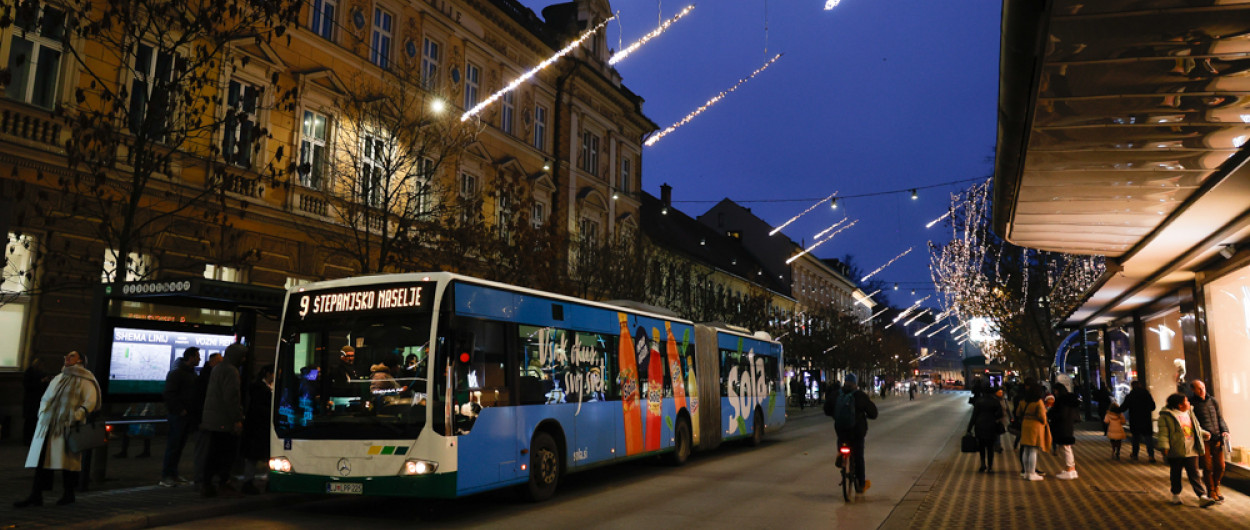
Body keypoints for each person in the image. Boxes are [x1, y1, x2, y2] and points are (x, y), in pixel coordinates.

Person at [14, 350, 102, 507]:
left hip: (69, 426)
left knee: (67, 461)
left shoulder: (85, 379)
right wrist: (43, 412)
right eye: (66, 356)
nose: (67, 358)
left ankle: (68, 493)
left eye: (72, 356)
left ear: (80, 360)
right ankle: (36, 494)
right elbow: (47, 397)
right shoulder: (60, 377)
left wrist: (77, 414)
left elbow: (90, 400)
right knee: (43, 460)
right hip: (49, 424)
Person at [201, 343, 247, 497]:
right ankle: (223, 483)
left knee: (213, 452)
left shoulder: (218, 368)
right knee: (226, 453)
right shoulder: (231, 371)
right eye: (243, 357)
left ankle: (207, 483)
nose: (244, 360)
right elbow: (231, 398)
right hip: (224, 420)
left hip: (213, 419)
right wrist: (237, 419)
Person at [1157, 393, 1216, 507]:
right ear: (1180, 405)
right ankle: (1176, 494)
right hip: (1176, 450)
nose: (1189, 403)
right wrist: (1164, 447)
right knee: (1176, 473)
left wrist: (1203, 433)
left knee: (1194, 474)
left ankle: (1202, 496)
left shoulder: (1189, 412)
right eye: (1186, 401)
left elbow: (1196, 428)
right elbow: (1163, 433)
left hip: (1191, 449)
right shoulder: (1167, 416)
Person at [832, 373, 879, 494]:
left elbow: (827, 409)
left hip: (841, 430)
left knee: (841, 440)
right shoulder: (860, 396)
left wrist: (836, 415)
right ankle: (861, 485)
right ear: (855, 383)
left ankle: (840, 454)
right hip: (857, 432)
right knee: (858, 457)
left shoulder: (837, 395)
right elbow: (874, 413)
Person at [161, 348, 200, 487]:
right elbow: (169, 394)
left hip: (185, 415)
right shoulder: (177, 373)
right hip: (178, 415)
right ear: (191, 357)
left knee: (178, 446)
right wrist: (180, 410)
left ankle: (173, 474)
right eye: (197, 356)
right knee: (173, 446)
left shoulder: (190, 373)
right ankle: (167, 475)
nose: (200, 359)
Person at [1189, 379, 1229, 503]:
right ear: (1193, 390)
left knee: (1221, 466)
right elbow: (1192, 422)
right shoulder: (1191, 403)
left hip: (1217, 437)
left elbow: (1219, 417)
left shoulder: (1213, 401)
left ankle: (1216, 486)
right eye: (1199, 388)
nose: (1202, 390)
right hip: (1204, 439)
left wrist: (1225, 430)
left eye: (1203, 387)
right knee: (1207, 466)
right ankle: (1211, 490)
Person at [240, 365, 274, 495]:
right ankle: (248, 482)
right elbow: (260, 407)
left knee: (260, 455)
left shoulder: (264, 387)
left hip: (260, 427)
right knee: (254, 456)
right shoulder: (260, 388)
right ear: (268, 374)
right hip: (258, 427)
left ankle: (253, 481)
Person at [192, 352, 222, 488]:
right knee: (203, 451)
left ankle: (204, 478)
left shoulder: (206, 377)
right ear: (212, 362)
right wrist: (200, 420)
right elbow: (199, 402)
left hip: (207, 420)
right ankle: (201, 479)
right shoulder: (207, 379)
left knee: (205, 450)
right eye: (219, 362)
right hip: (205, 421)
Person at [1016, 382, 1051, 481]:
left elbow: (1018, 413)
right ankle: (1032, 473)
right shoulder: (1038, 402)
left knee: (1026, 449)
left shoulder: (1023, 401)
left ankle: (1026, 472)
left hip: (1025, 425)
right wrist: (1044, 422)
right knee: (1033, 450)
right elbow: (1042, 416)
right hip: (1035, 426)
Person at [967, 383, 1003, 472]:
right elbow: (1000, 414)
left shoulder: (979, 401)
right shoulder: (995, 401)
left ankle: (983, 464)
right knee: (990, 447)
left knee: (981, 446)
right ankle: (990, 466)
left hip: (980, 426)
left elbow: (974, 416)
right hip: (991, 426)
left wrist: (969, 429)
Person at [1049, 383, 1081, 480]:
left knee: (1065, 447)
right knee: (1067, 447)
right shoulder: (1070, 400)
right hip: (1068, 425)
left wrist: (1051, 415)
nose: (1054, 392)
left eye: (1055, 390)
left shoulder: (1061, 401)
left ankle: (1069, 468)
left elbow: (1059, 414)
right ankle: (1071, 468)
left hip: (1062, 426)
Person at [1121, 380, 1158, 462]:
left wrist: (1115, 410)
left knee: (1135, 438)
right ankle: (1151, 456)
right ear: (1140, 385)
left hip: (1135, 420)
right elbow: (1153, 407)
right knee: (1148, 438)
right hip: (1146, 419)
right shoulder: (1147, 395)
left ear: (1132, 386)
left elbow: (1123, 407)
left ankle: (1135, 455)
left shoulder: (1130, 396)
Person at [21, 356, 54, 445]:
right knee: (29, 421)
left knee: (35, 421)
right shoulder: (30, 373)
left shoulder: (40, 373)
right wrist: (41, 381)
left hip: (38, 401)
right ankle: (27, 439)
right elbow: (28, 385)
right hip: (31, 401)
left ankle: (32, 439)